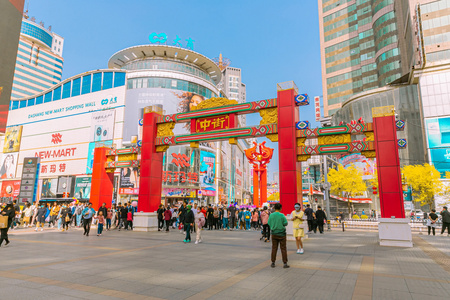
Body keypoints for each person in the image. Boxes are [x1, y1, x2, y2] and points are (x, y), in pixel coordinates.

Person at [267, 203, 289, 268]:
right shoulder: (282, 215)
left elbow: (269, 223)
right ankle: (285, 263)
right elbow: (286, 223)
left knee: (274, 248)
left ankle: (273, 262)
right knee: (283, 248)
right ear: (280, 208)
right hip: (282, 234)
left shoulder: (271, 215)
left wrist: (273, 226)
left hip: (274, 234)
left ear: (274, 208)